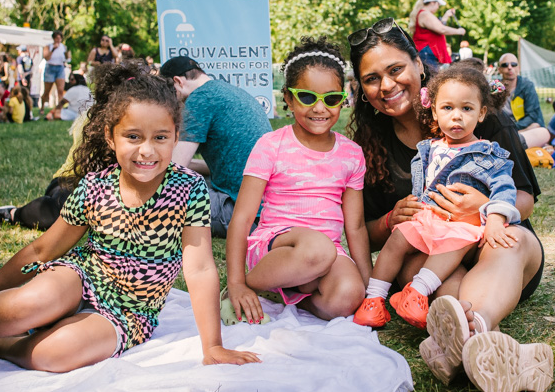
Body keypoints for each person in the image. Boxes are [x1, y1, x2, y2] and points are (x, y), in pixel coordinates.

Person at [0, 62, 261, 370]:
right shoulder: (95, 186)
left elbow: (199, 268)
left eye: (160, 138)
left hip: (131, 311)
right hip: (81, 277)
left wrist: (212, 345)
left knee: (55, 354)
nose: (146, 150)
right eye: (133, 137)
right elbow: (42, 250)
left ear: (176, 137)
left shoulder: (189, 189)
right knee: (31, 301)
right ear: (110, 137)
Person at [347, 17, 552, 392]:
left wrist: (483, 208)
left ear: (418, 64)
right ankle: (481, 345)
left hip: (496, 251)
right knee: (419, 267)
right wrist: (391, 219)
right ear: (362, 90)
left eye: (395, 69)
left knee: (511, 240)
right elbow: (368, 232)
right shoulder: (370, 146)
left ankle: (478, 326)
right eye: (372, 79)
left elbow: (524, 198)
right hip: (432, 262)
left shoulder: (475, 109)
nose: (386, 85)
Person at [353, 64, 523, 331]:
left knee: (452, 246)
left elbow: (505, 190)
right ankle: (373, 299)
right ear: (433, 111)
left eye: (466, 109)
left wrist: (493, 218)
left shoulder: (489, 155)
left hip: (461, 227)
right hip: (428, 219)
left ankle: (417, 293)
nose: (456, 116)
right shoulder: (428, 148)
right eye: (447, 108)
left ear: (481, 113)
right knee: (398, 237)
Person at [224, 37, 370, 324]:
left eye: (331, 98)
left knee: (349, 295)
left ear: (342, 99)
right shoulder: (271, 145)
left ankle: (292, 297)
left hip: (326, 253)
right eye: (307, 97)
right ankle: (250, 286)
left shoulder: (352, 154)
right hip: (275, 246)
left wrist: (370, 289)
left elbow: (355, 226)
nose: (320, 108)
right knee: (318, 250)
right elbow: (241, 218)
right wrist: (236, 281)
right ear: (288, 99)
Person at [161, 56, 272, 238]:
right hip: (268, 206)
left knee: (162, 199)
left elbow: (174, 168)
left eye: (168, 93)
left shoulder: (199, 99)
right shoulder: (228, 91)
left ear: (178, 82)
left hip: (245, 214)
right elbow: (232, 162)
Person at [496, 53, 549, 148]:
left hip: (523, 127)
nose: (509, 67)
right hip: (505, 130)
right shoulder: (495, 88)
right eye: (505, 65)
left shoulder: (527, 86)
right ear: (499, 69)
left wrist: (513, 128)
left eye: (513, 64)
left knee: (536, 127)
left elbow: (532, 115)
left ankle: (514, 139)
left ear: (518, 68)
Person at [407, 0, 466, 72]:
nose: (438, 7)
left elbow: (437, 27)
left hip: (428, 52)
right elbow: (441, 29)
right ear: (433, 2)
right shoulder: (425, 14)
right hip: (427, 52)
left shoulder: (425, 14)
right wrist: (458, 31)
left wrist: (446, 16)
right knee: (431, 77)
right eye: (438, 4)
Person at [41, 31, 70, 115]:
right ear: (54, 38)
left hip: (60, 68)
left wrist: (67, 55)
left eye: (60, 38)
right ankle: (42, 107)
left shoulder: (64, 47)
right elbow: (46, 58)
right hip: (50, 68)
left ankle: (59, 110)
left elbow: (67, 59)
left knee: (60, 91)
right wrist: (53, 49)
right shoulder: (48, 46)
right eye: (57, 38)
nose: (58, 40)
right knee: (47, 91)